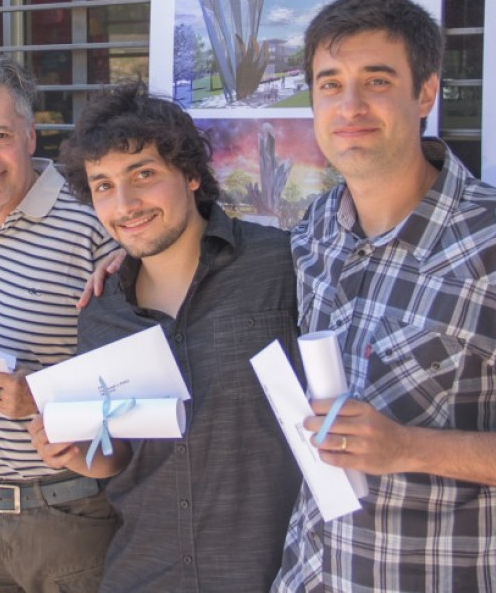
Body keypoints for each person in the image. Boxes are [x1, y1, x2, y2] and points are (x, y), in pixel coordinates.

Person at [273, 0, 496, 592]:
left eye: (376, 80)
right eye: (330, 85)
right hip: (316, 574)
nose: (349, 105)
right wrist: (129, 263)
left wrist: (408, 446)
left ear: (425, 93)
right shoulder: (317, 226)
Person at [30, 82, 302, 591]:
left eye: (144, 174)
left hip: (269, 572)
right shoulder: (102, 311)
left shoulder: (281, 266)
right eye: (103, 185)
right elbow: (118, 457)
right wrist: (77, 448)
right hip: (145, 573)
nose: (125, 203)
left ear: (191, 174)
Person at [0, 54, 120, 591]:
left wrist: (43, 399)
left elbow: (142, 374)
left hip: (65, 518)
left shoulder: (95, 224)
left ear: (31, 136)